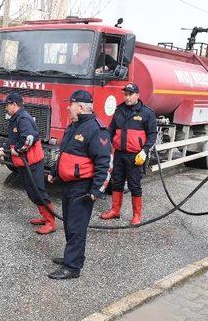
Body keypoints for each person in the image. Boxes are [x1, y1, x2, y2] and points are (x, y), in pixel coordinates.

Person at [47, 90, 112, 279]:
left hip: (82, 187)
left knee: (76, 227)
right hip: (68, 184)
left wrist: (97, 189)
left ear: (81, 107)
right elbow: (64, 152)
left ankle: (72, 267)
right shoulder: (74, 125)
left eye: (71, 104)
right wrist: (54, 172)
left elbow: (104, 162)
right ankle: (73, 256)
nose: (68, 107)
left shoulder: (96, 129)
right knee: (69, 224)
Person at [0, 92, 56, 234]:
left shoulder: (23, 119)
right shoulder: (15, 119)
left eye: (8, 105)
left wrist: (17, 150)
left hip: (32, 162)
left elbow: (28, 139)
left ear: (14, 105)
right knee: (32, 192)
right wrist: (5, 149)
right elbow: (14, 140)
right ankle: (44, 216)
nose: (6, 108)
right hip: (25, 163)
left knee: (38, 192)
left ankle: (50, 222)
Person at [100, 83, 157, 225]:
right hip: (119, 154)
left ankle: (137, 215)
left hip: (135, 156)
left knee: (134, 185)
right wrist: (105, 145)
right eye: (125, 94)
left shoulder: (146, 113)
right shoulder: (119, 111)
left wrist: (145, 151)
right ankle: (115, 210)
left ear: (137, 95)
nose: (127, 97)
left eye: (130, 94)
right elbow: (111, 130)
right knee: (116, 182)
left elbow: (152, 134)